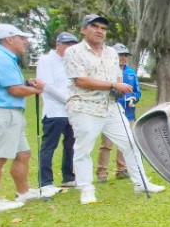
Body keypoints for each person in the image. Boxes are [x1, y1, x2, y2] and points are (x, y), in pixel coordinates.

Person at [64, 14, 164, 204]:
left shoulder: (111, 52)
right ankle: (86, 188)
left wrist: (118, 88)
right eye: (94, 27)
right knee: (84, 148)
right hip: (85, 106)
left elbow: (117, 77)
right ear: (83, 29)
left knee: (131, 142)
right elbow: (81, 80)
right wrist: (113, 85)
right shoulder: (74, 52)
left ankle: (141, 182)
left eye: (103, 28)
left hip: (111, 106)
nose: (100, 31)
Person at [0, 23, 57, 214]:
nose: (25, 42)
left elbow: (14, 84)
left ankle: (23, 192)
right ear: (9, 39)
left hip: (10, 113)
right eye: (22, 38)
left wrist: (28, 83)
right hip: (1, 113)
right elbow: (14, 89)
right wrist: (35, 89)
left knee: (23, 154)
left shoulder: (5, 58)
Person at [35, 31, 78, 196]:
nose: (69, 48)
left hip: (71, 111)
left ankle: (68, 176)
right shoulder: (47, 60)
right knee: (49, 147)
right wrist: (68, 100)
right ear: (58, 44)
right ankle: (45, 182)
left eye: (72, 45)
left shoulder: (71, 62)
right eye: (66, 44)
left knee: (70, 145)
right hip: (54, 112)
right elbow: (46, 86)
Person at [96, 43, 141, 183]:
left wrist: (134, 97)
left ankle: (122, 170)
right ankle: (102, 173)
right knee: (106, 145)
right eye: (120, 55)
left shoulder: (131, 73)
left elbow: (136, 91)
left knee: (127, 143)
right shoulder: (107, 71)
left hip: (128, 113)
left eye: (125, 55)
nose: (123, 58)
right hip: (111, 113)